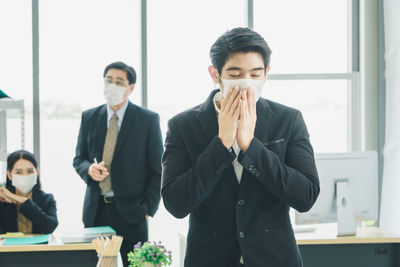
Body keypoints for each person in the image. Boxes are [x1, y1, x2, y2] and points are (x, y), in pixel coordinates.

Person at [161, 27, 320, 267]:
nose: (247, 83)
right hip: (209, 259)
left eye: (255, 74)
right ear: (215, 74)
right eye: (235, 75)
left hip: (275, 258)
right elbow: (176, 203)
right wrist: (222, 145)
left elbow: (305, 196)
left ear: (266, 73)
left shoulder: (288, 120)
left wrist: (251, 147)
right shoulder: (182, 126)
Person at [73, 61, 163, 266]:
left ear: (130, 88)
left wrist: (148, 209)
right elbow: (79, 159)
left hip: (133, 213)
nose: (112, 85)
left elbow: (158, 169)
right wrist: (89, 169)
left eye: (119, 81)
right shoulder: (89, 117)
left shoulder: (147, 120)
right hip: (96, 212)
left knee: (137, 264)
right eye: (109, 80)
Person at [0, 150, 58, 234]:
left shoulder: (47, 199)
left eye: (30, 171)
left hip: (38, 247)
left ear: (37, 172)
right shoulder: (2, 200)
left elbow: (50, 226)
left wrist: (24, 201)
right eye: (19, 172)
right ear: (9, 175)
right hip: (9, 247)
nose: (25, 176)